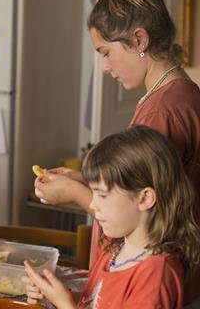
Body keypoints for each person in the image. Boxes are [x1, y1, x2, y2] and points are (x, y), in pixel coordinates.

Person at [34, 0, 200, 304]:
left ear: (139, 40)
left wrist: (75, 194)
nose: (105, 68)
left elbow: (144, 208)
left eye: (106, 52)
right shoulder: (183, 93)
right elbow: (139, 182)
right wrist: (84, 180)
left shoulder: (160, 112)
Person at [24, 126, 200, 308]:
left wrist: (65, 305)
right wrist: (56, 296)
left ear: (145, 198)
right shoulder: (115, 247)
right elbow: (97, 301)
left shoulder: (156, 274)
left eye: (102, 195)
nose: (92, 204)